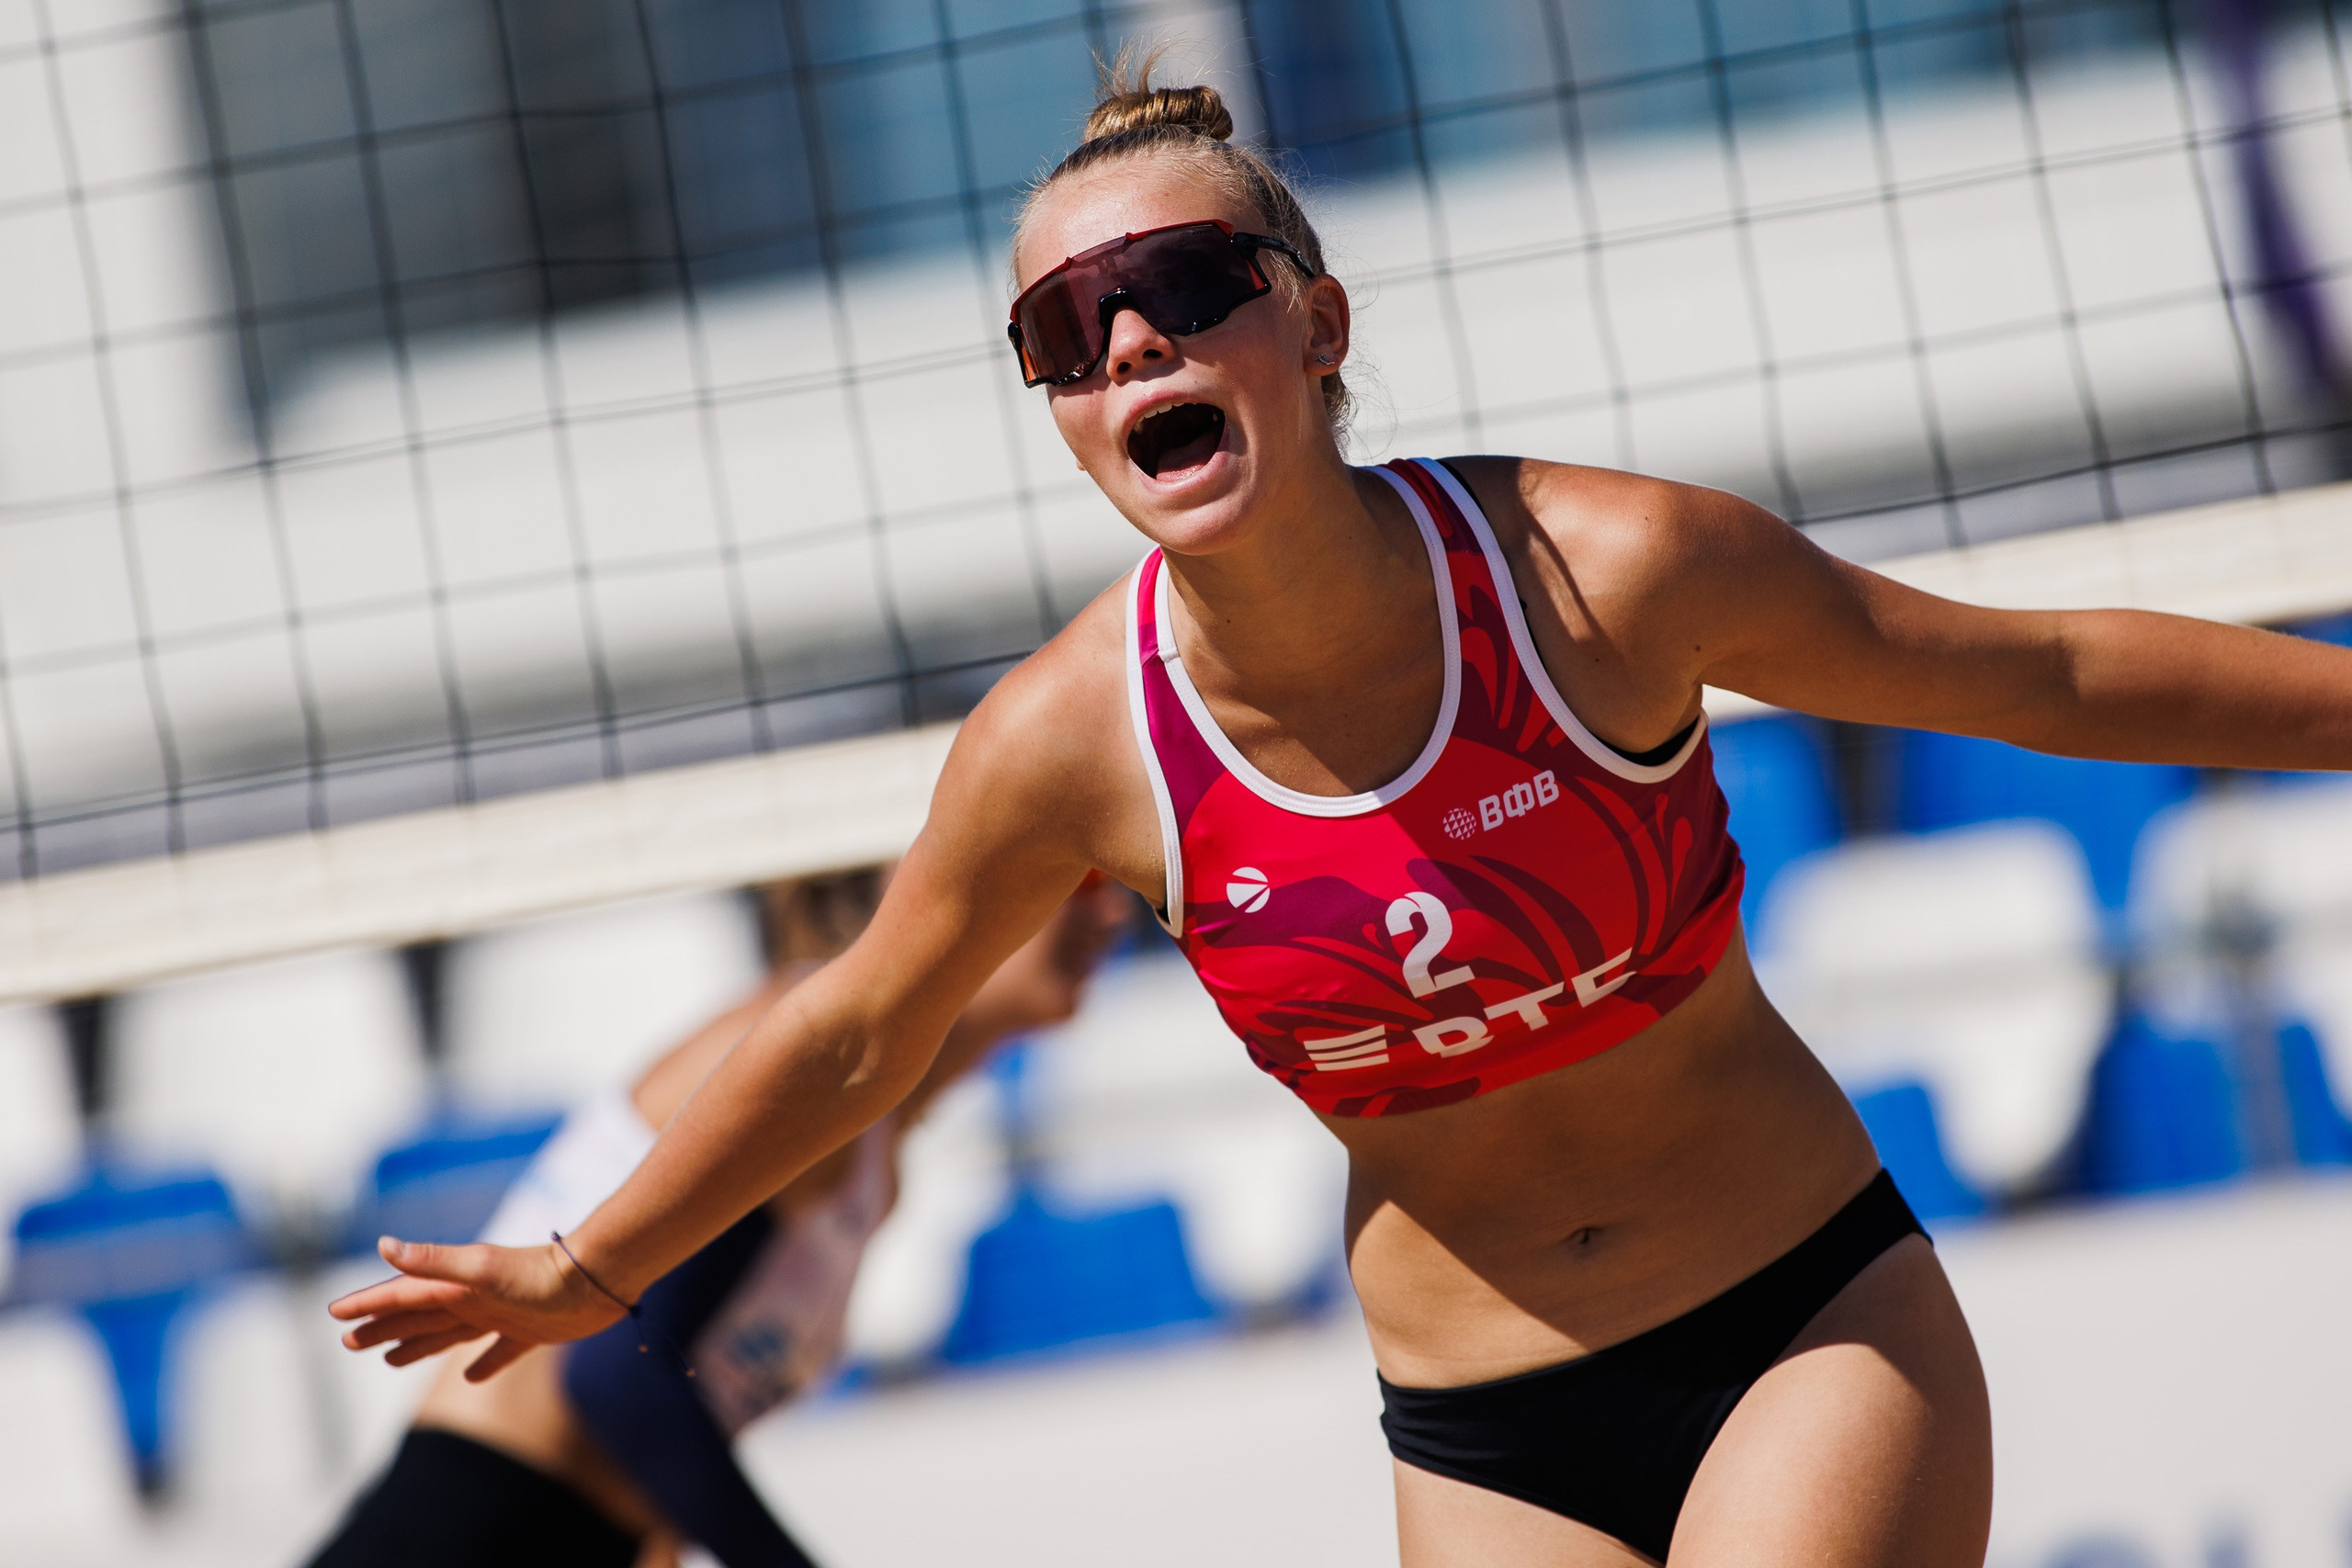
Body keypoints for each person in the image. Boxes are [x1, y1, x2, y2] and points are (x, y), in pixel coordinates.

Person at [331, 58, 2352, 1568]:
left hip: (1796, 1318)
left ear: (1315, 321)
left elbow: (2041, 673)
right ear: (1059, 405)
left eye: (1183, 281)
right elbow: (857, 1025)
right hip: (1479, 1423)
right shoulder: (1068, 738)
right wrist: (588, 1265)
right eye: (1066, 329)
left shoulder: (1601, 574)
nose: (1132, 337)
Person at [309, 870, 1131, 1568]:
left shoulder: (875, 1150)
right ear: (926, 867)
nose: (1112, 910)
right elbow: (612, 1377)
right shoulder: (815, 1048)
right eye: (1079, 876)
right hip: (475, 1522)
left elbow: (656, 1397)